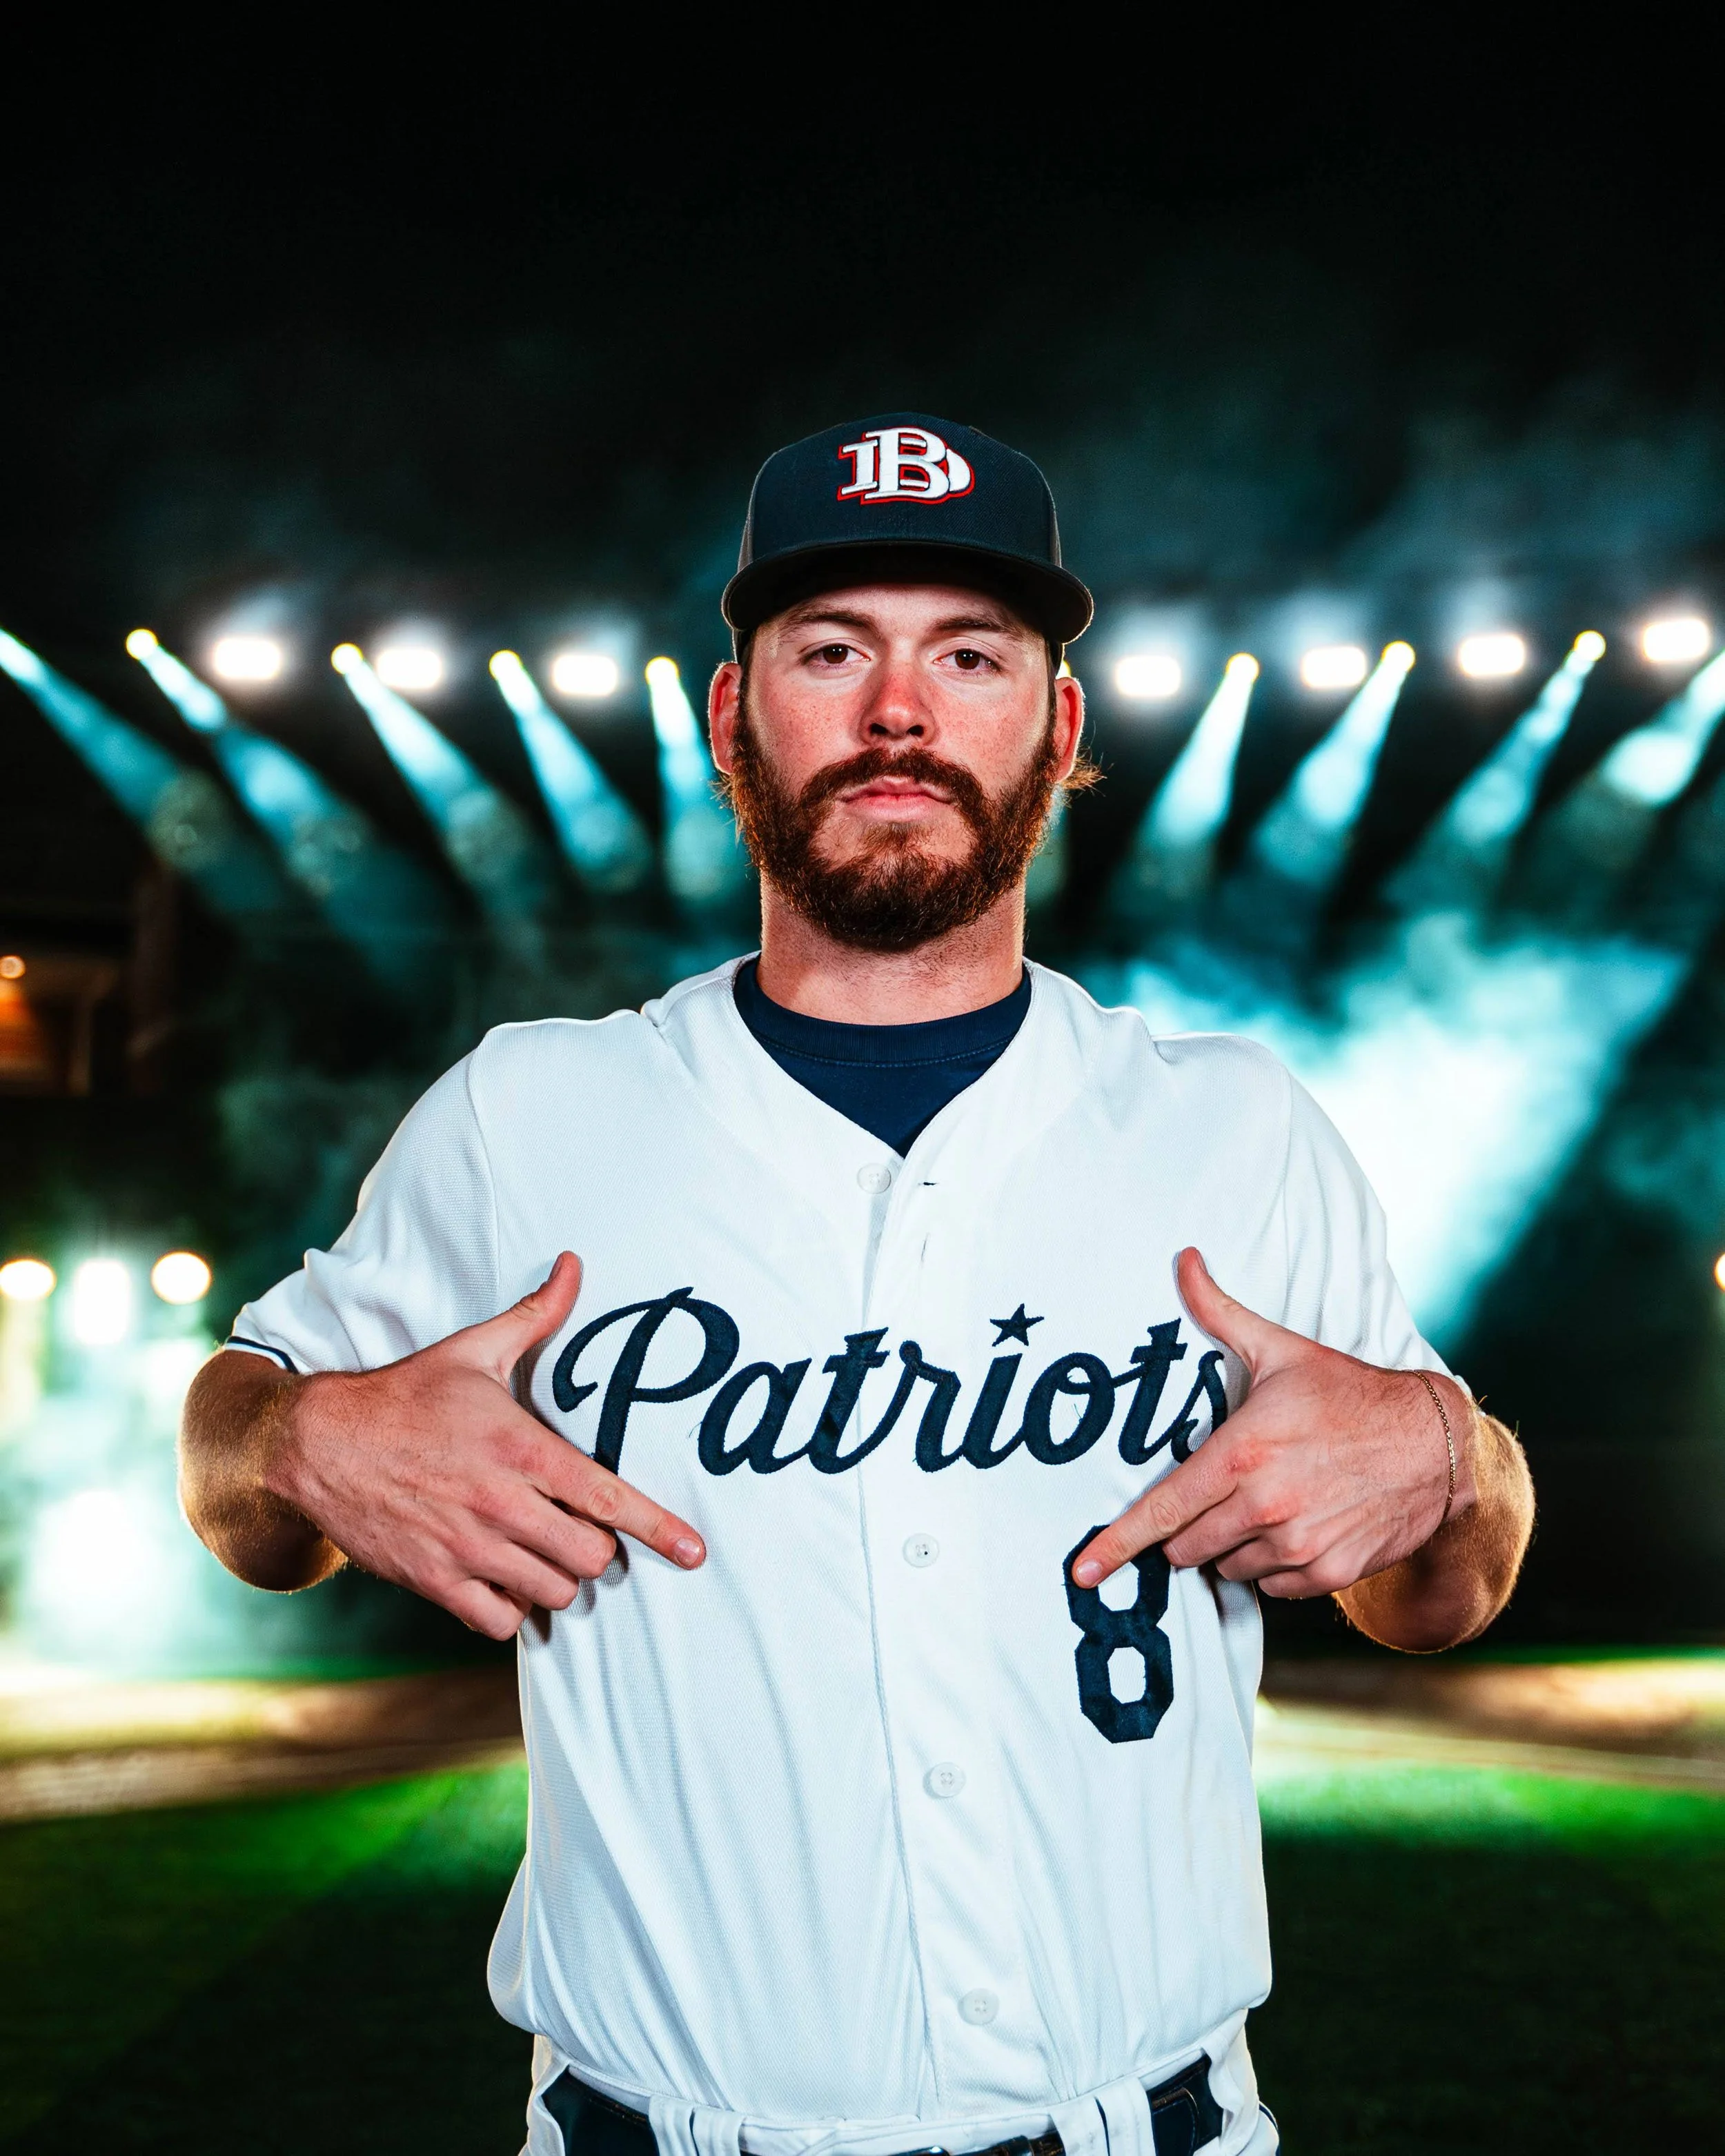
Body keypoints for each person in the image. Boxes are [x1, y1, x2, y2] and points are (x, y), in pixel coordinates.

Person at [181, 415, 1535, 2156]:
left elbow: (1449, 1582)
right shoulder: (530, 1114)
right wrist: (298, 1440)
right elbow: (234, 1472)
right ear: (730, 719)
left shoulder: (1234, 1129)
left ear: (1054, 727)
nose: (899, 709)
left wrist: (1438, 1444)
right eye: (832, 649)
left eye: (967, 653)